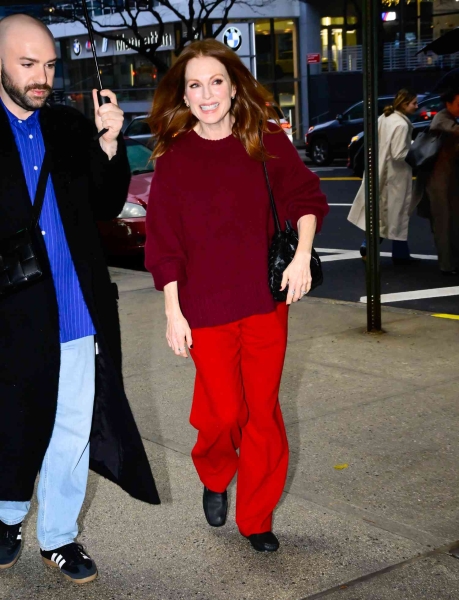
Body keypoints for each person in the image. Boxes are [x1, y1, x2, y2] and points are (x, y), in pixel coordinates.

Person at [145, 39, 328, 553]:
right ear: (183, 95)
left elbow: (305, 197)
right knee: (224, 413)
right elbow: (165, 244)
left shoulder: (264, 138)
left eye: (216, 82)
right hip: (204, 308)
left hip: (265, 300)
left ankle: (257, 517)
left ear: (233, 85)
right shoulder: (174, 157)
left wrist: (300, 255)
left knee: (262, 411)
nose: (207, 94)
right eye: (194, 85)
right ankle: (214, 470)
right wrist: (172, 312)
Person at [0, 15, 159, 584]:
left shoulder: (67, 126)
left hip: (76, 308)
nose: (41, 76)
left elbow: (106, 200)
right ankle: (8, 515)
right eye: (27, 64)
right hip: (12, 315)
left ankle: (59, 536)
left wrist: (112, 143)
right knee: (14, 421)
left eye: (47, 64)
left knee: (70, 428)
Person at [348, 88, 419, 264]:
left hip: (378, 171)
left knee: (380, 215)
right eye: (414, 103)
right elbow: (398, 154)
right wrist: (415, 147)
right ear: (404, 104)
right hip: (394, 176)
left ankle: (382, 249)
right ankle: (398, 254)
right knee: (396, 215)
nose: (417, 107)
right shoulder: (401, 125)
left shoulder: (385, 118)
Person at [423, 87, 459, 275]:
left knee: (452, 221)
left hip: (449, 179)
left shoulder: (450, 118)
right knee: (443, 222)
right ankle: (447, 264)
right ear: (449, 103)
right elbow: (452, 131)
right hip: (438, 181)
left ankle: (452, 261)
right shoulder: (443, 118)